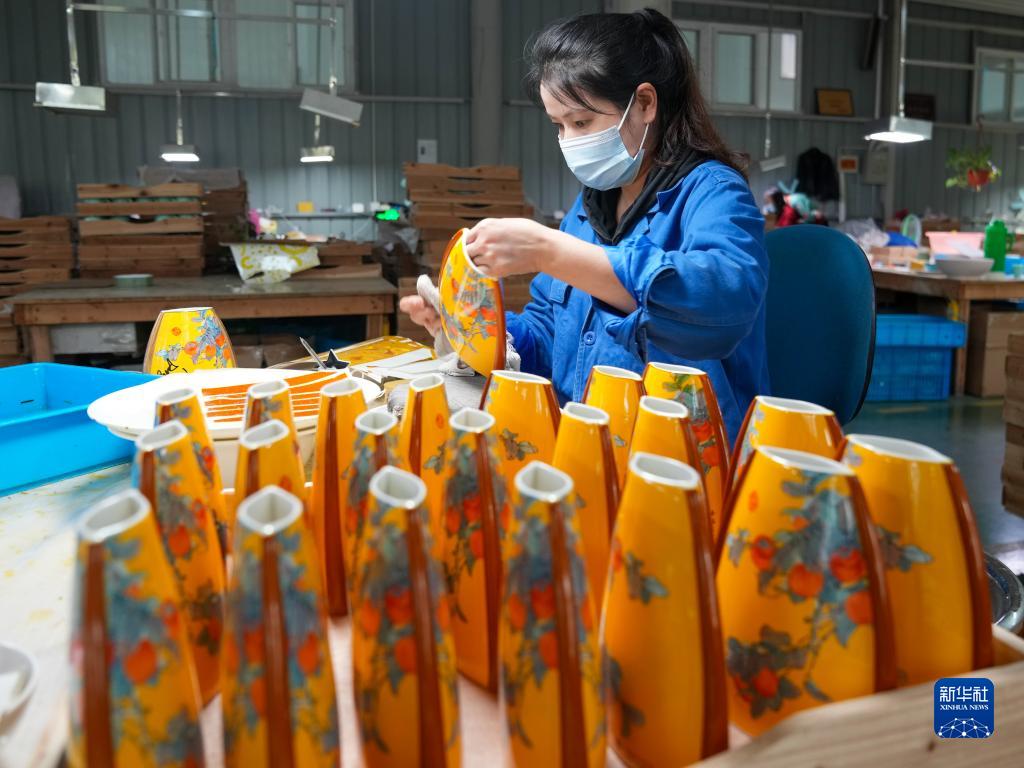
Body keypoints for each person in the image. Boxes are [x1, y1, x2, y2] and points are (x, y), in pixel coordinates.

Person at [400, 8, 769, 443]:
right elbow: (548, 334)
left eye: (581, 122)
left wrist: (552, 252)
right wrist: (474, 330)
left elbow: (723, 303)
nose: (569, 141)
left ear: (645, 104)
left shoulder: (713, 192)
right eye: (558, 126)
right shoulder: (590, 207)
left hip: (682, 449)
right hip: (585, 438)